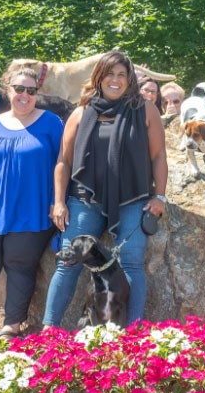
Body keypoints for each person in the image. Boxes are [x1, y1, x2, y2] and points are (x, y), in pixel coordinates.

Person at [43, 50, 168, 328]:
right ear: (99, 77)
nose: (115, 80)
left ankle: (131, 332)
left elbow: (159, 156)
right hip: (85, 200)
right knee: (67, 263)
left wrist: (159, 196)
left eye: (122, 75)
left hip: (133, 199)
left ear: (130, 79)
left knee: (132, 261)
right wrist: (60, 202)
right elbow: (63, 161)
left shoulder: (145, 110)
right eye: (110, 74)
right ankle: (48, 331)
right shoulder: (81, 111)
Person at [0, 67, 64, 340]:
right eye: (19, 89)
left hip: (31, 212)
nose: (25, 95)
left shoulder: (52, 123)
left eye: (31, 91)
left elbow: (63, 165)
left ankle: (12, 325)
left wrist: (58, 201)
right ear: (8, 90)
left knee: (19, 263)